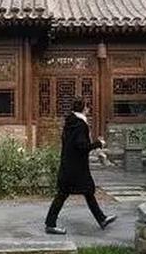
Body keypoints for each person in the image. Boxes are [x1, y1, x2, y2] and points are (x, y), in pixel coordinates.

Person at [45, 96, 117, 234]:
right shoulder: (80, 124)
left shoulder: (70, 122)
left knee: (85, 191)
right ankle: (50, 224)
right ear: (84, 108)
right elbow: (82, 146)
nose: (88, 110)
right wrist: (98, 144)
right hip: (76, 168)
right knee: (66, 194)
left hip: (69, 164)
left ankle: (102, 219)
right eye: (87, 107)